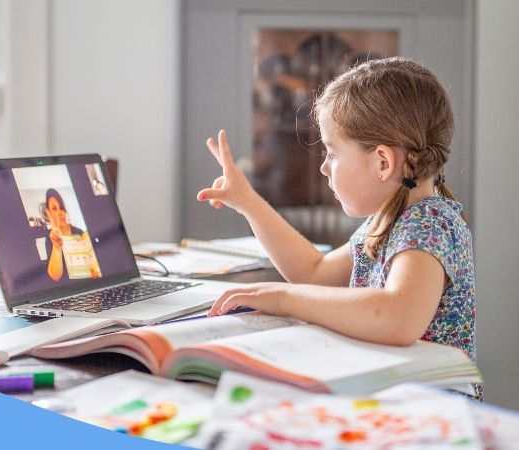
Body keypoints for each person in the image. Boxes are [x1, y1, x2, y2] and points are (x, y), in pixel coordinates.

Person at [197, 57, 481, 400]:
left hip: (430, 418)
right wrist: (248, 202)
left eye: (332, 153)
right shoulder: (390, 221)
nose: (324, 168)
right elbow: (314, 273)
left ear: (383, 162)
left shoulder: (428, 224)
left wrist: (284, 299)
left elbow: (398, 317)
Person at [44, 188, 101, 281]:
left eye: (61, 208)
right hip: (70, 289)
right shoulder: (50, 238)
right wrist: (57, 247)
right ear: (49, 213)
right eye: (54, 209)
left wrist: (95, 270)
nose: (59, 213)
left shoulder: (79, 232)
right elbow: (55, 276)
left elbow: (91, 261)